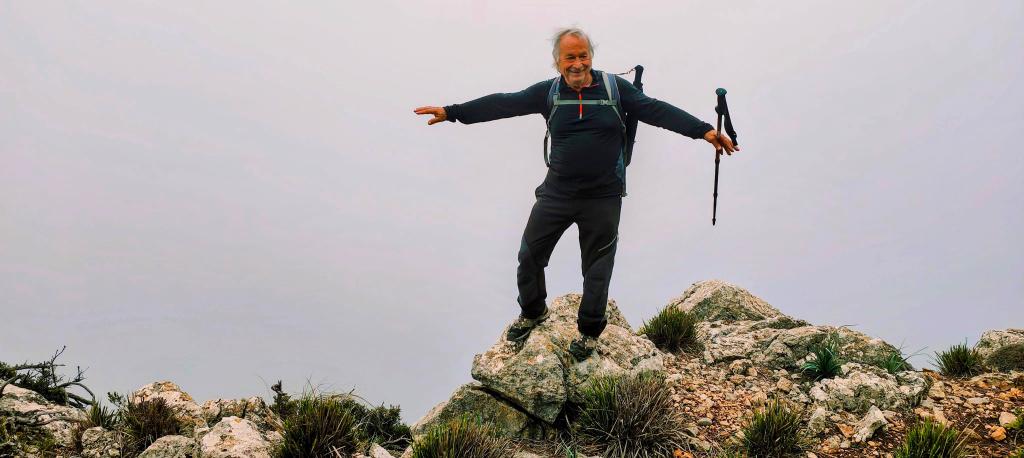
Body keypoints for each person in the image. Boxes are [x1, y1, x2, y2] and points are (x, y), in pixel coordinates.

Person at [414, 28, 738, 361]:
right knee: (529, 256)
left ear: (591, 57)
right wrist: (452, 112)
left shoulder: (615, 88)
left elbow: (655, 110)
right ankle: (533, 312)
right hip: (557, 193)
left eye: (583, 55)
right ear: (558, 61)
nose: (578, 63)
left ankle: (589, 333)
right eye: (571, 57)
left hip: (603, 197)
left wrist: (704, 131)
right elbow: (504, 104)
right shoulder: (549, 93)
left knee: (597, 268)